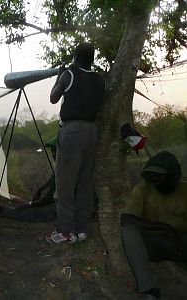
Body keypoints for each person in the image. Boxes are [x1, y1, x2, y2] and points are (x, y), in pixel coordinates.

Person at [47, 43, 105, 244]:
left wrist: (59, 75)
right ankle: (81, 229)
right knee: (85, 183)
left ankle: (64, 232)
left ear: (75, 57)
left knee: (65, 183)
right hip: (92, 131)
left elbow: (54, 98)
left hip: (72, 132)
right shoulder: (100, 79)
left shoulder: (69, 75)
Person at [121, 151, 187, 299]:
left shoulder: (184, 190)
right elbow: (126, 219)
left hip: (181, 243)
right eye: (152, 175)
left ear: (173, 175)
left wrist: (177, 238)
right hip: (153, 243)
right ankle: (149, 289)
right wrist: (166, 228)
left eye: (160, 175)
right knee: (128, 230)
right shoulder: (144, 188)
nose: (154, 179)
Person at [0, 136, 57, 223]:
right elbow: (53, 179)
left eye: (55, 151)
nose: (53, 155)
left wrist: (32, 204)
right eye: (52, 151)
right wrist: (40, 190)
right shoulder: (62, 165)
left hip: (60, 208)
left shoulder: (66, 169)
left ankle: (1, 210)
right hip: (58, 204)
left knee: (30, 212)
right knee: (26, 208)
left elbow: (49, 198)